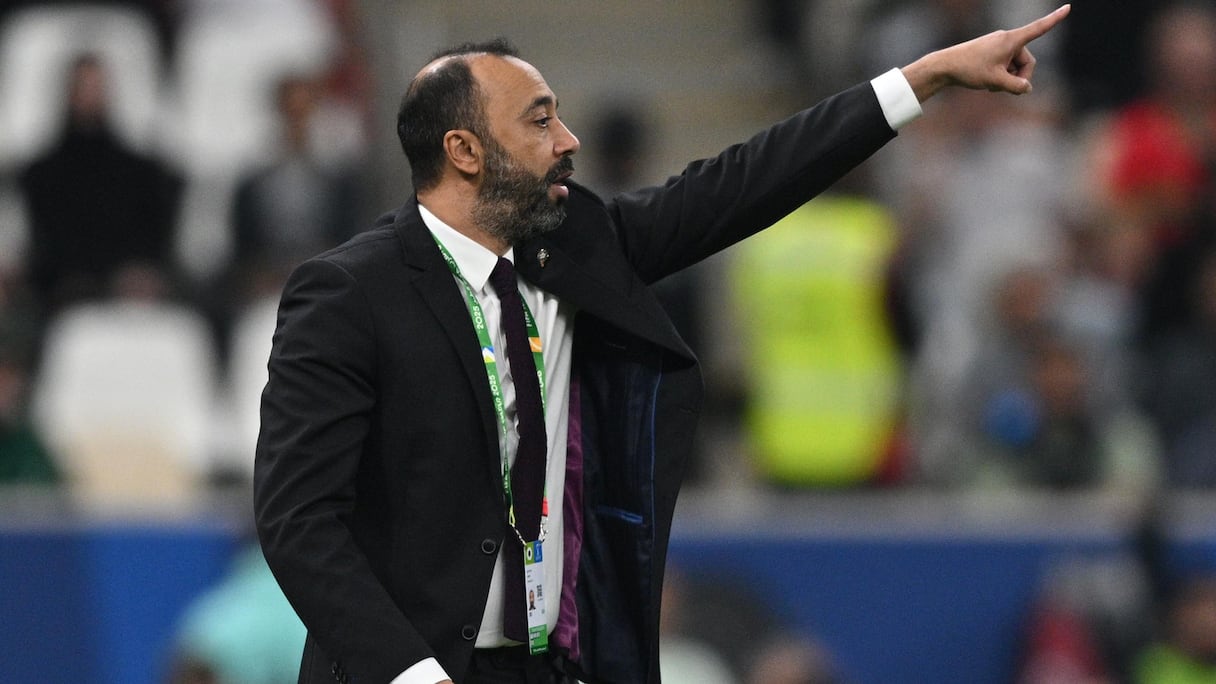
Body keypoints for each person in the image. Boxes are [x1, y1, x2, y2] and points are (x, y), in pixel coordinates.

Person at [253, 7, 1071, 684]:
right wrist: (410, 673)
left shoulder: (576, 246)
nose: (568, 138)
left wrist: (921, 80)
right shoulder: (350, 294)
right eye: (539, 120)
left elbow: (741, 183)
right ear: (464, 151)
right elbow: (298, 519)